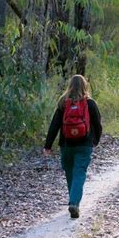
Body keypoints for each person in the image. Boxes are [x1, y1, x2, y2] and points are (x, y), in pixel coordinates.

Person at [43, 75, 102, 218]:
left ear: (70, 86)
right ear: (85, 86)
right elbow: (98, 125)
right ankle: (74, 203)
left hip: (66, 145)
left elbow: (54, 125)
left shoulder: (63, 103)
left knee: (70, 174)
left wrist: (48, 145)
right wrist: (95, 140)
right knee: (79, 173)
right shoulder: (90, 103)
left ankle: (73, 202)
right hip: (84, 145)